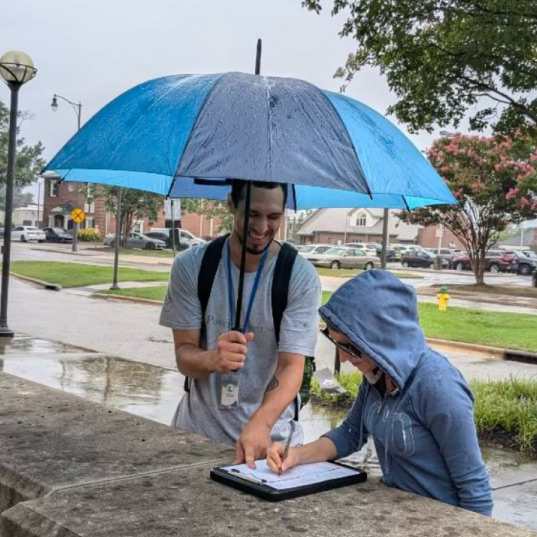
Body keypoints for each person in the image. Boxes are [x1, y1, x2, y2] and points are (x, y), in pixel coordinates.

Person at [267, 270, 493, 516]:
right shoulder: (377, 375)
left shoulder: (438, 386)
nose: (343, 358)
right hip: (399, 512)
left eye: (350, 347)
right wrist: (295, 455)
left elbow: (474, 486)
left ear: (380, 337)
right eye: (337, 345)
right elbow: (350, 434)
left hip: (439, 520)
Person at [160, 180, 321, 467]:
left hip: (270, 445)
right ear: (232, 203)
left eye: (273, 217)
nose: (262, 228)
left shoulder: (299, 275)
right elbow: (183, 355)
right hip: (196, 437)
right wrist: (212, 358)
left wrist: (261, 423)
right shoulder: (192, 266)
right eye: (252, 214)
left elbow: (291, 365)